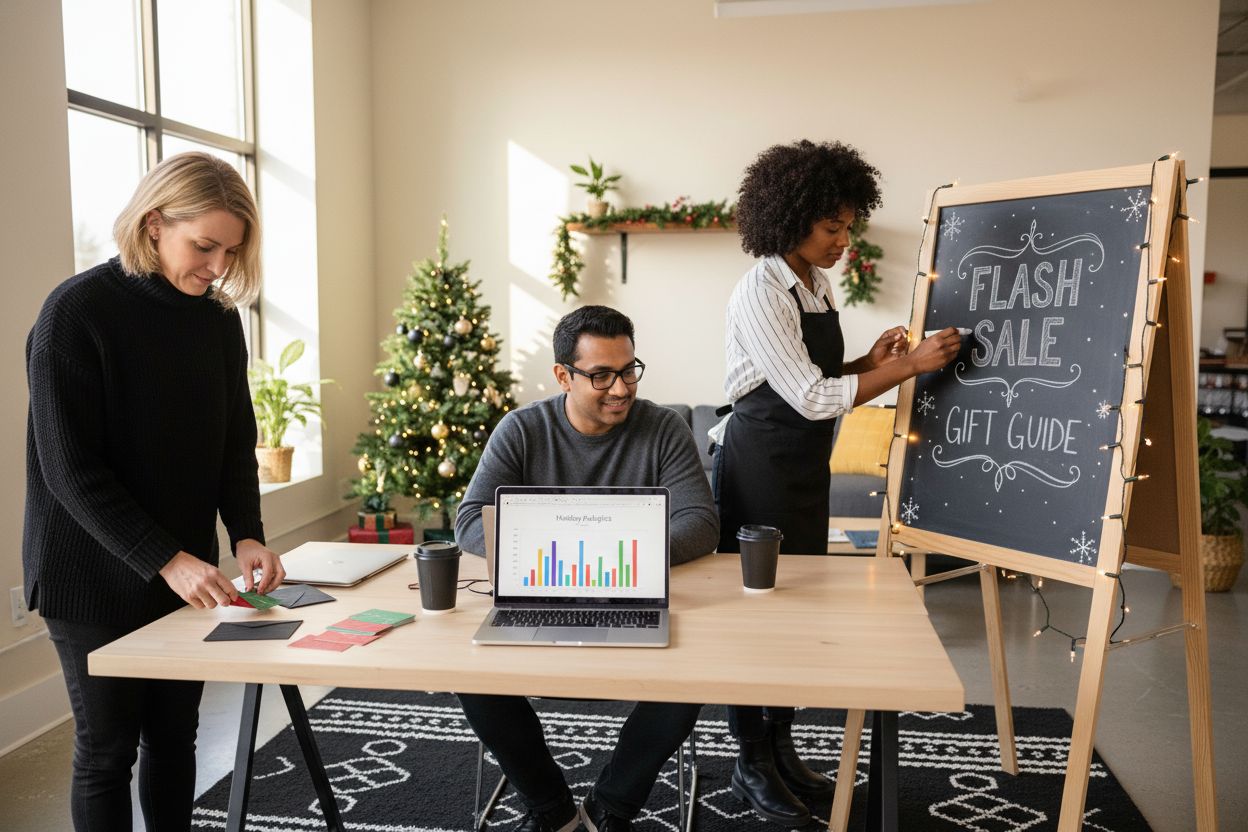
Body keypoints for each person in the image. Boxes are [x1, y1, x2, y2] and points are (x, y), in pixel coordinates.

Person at [23, 152, 285, 831]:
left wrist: (247, 533)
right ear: (152, 224)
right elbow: (69, 470)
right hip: (88, 573)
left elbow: (233, 442)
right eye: (205, 246)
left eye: (231, 250)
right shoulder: (75, 314)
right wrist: (168, 559)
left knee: (174, 738)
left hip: (181, 571)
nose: (219, 265)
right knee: (106, 752)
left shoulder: (217, 322)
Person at [709, 140, 961, 826]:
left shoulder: (812, 284)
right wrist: (909, 369)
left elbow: (815, 375)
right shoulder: (761, 287)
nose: (843, 243)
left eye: (849, 227)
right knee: (756, 610)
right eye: (831, 229)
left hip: (801, 466)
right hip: (759, 463)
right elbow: (812, 397)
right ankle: (749, 763)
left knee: (792, 609)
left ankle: (782, 752)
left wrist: (868, 359)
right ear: (790, 221)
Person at [454, 305, 719, 832]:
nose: (621, 388)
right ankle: (551, 808)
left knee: (697, 674)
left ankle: (609, 810)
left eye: (628, 370)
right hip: (544, 594)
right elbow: (468, 520)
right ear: (562, 375)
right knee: (470, 674)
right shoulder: (521, 430)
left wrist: (612, 556)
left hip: (635, 591)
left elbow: (700, 521)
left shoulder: (664, 428)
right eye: (601, 375)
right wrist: (575, 558)